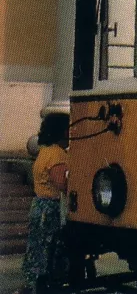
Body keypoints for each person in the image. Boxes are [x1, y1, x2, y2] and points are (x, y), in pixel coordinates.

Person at [20, 114, 70, 294]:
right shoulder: (57, 154)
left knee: (38, 248)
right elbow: (62, 184)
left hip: (40, 205)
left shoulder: (45, 151)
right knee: (50, 249)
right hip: (51, 209)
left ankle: (35, 283)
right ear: (64, 131)